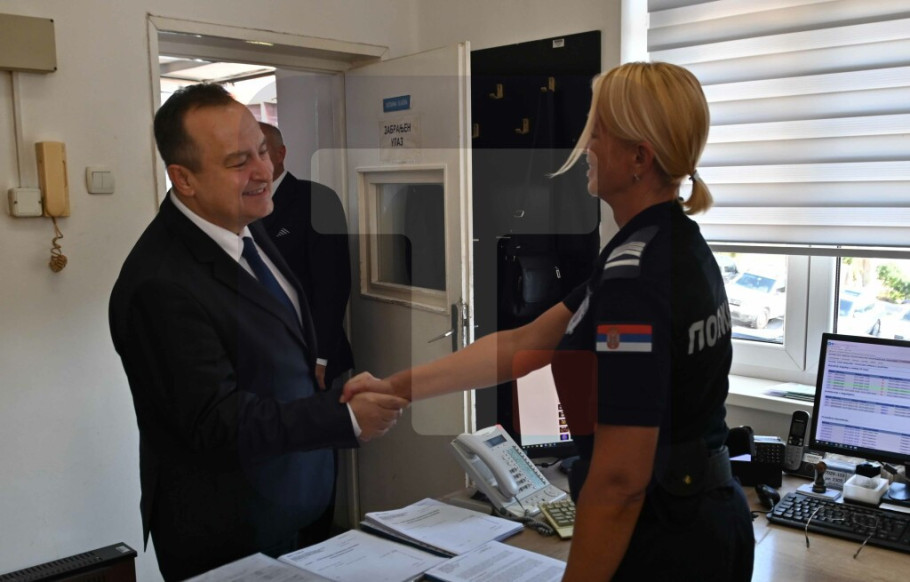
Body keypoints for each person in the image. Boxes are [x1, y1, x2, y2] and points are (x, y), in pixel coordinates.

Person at [343, 62, 754, 581]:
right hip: (701, 518)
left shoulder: (637, 276)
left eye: (598, 132)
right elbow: (525, 343)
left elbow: (620, 479)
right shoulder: (664, 245)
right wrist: (397, 388)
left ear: (639, 158)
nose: (586, 147)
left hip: (668, 537)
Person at [109, 83, 408, 581]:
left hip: (299, 499)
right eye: (238, 161)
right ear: (183, 178)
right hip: (232, 526)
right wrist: (340, 418)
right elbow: (214, 422)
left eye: (263, 152)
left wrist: (333, 396)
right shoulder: (159, 283)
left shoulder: (246, 223)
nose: (263, 172)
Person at [258, 122, 354, 391]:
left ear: (281, 153)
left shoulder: (317, 200)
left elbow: (333, 285)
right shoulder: (239, 204)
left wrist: (320, 356)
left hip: (310, 354)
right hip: (260, 354)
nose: (251, 162)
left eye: (261, 151)